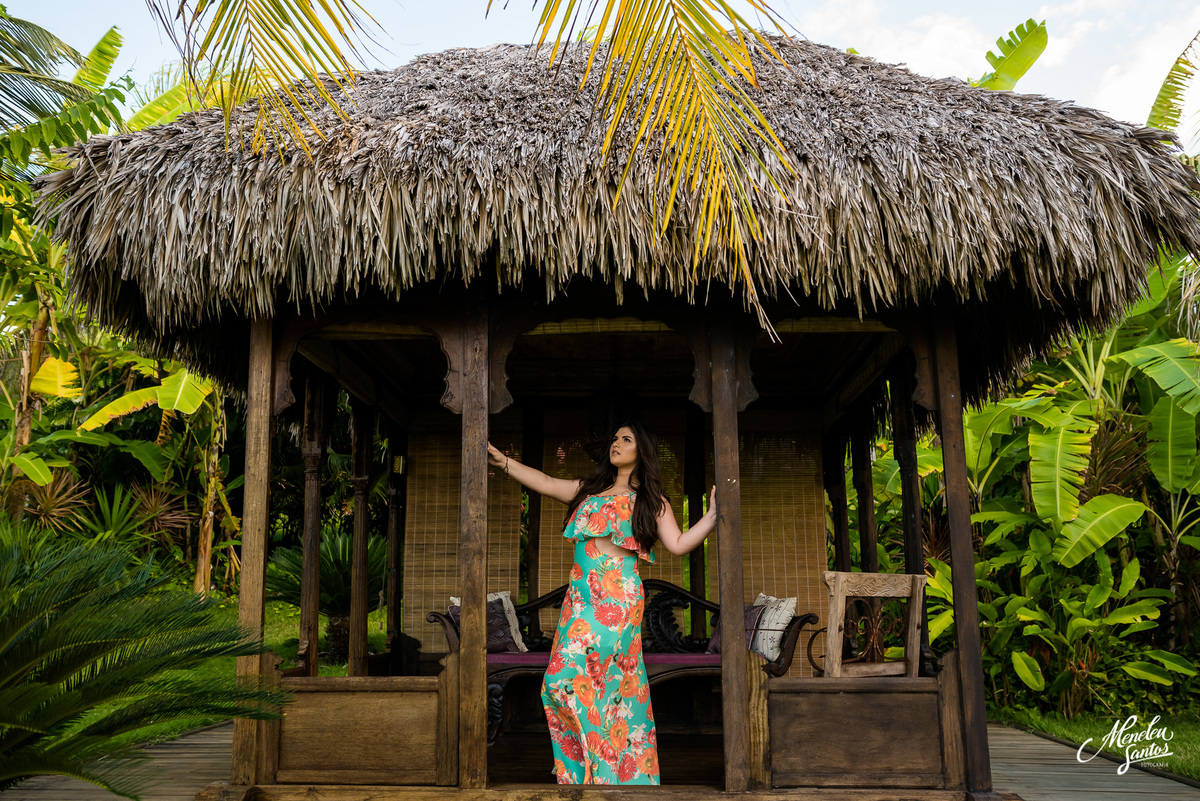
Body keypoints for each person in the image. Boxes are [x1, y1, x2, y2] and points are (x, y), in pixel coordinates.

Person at [487, 420, 717, 785]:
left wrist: (712, 516)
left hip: (619, 603)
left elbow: (678, 543)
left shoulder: (651, 501)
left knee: (604, 684)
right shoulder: (589, 491)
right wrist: (505, 464)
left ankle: (605, 773)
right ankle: (595, 769)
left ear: (641, 451)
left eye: (626, 439)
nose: (616, 443)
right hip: (579, 602)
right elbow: (546, 483)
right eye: (614, 438)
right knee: (561, 683)